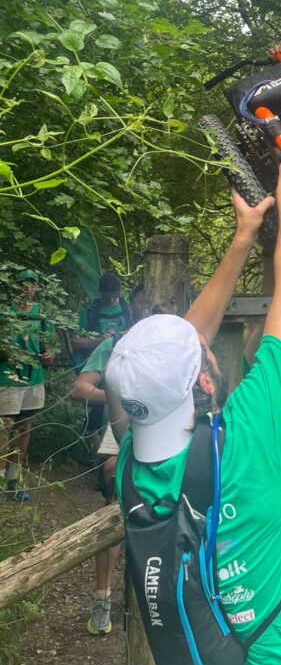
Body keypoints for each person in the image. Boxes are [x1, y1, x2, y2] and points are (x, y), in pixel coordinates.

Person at [105, 149, 281, 665]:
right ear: (208, 380)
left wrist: (243, 239)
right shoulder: (250, 440)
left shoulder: (132, 472)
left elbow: (175, 359)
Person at [68, 283, 146, 636]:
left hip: (170, 433)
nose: (146, 312)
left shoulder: (181, 339)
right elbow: (79, 388)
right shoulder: (116, 344)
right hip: (123, 431)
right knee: (114, 506)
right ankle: (102, 600)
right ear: (132, 305)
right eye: (141, 303)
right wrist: (120, 401)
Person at [0, 268, 56, 502]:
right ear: (16, 286)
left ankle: (14, 478)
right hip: (8, 378)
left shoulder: (42, 316)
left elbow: (49, 348)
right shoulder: (5, 314)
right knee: (4, 428)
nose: (28, 288)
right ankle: (1, 479)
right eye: (24, 283)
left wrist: (48, 357)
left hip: (34, 379)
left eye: (32, 284)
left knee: (24, 427)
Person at [71, 271, 132, 454]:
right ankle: (98, 450)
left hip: (123, 365)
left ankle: (107, 452)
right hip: (94, 364)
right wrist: (101, 342)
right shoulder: (89, 311)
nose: (111, 300)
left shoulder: (126, 307)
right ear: (100, 292)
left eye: (114, 296)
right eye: (108, 297)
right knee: (95, 407)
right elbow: (75, 341)